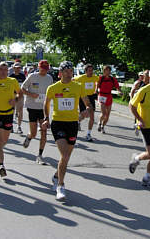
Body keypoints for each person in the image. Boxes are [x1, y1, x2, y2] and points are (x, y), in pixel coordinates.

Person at [43, 61, 91, 201]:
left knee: (66, 157)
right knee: (64, 155)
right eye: (66, 71)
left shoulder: (78, 87)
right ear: (61, 73)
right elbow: (46, 104)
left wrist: (85, 112)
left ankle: (56, 176)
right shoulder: (53, 88)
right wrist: (46, 118)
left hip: (72, 124)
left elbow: (87, 104)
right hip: (58, 123)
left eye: (71, 71)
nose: (69, 73)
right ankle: (60, 186)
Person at [21, 60, 53, 164]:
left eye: (46, 69)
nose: (44, 70)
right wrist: (31, 94)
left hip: (44, 108)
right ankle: (29, 137)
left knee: (44, 133)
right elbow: (22, 88)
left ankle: (39, 155)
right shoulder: (32, 76)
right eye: (42, 68)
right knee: (34, 133)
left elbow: (52, 92)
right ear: (39, 67)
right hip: (32, 106)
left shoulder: (49, 78)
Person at [74, 64, 99, 141]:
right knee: (84, 115)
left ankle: (88, 134)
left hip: (91, 97)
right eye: (89, 71)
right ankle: (77, 121)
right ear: (85, 71)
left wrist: (97, 88)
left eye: (92, 70)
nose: (91, 72)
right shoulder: (80, 78)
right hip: (82, 97)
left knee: (92, 116)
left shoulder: (95, 77)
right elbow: (70, 81)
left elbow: (99, 81)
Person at [95, 65, 121, 134]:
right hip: (102, 96)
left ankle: (103, 126)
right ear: (104, 71)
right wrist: (96, 90)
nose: (108, 72)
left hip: (109, 96)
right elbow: (97, 85)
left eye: (109, 70)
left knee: (107, 115)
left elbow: (117, 86)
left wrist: (119, 91)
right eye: (106, 70)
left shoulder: (112, 79)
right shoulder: (101, 78)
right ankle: (100, 123)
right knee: (103, 113)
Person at [130, 70, 149, 135]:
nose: (147, 76)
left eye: (148, 74)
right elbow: (132, 91)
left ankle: (141, 125)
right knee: (138, 114)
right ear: (144, 76)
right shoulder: (139, 83)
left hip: (147, 103)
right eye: (146, 74)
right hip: (139, 102)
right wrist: (132, 100)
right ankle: (137, 126)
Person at [10, 62, 27, 133]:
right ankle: (11, 126)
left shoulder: (23, 76)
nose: (18, 69)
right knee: (12, 111)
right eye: (16, 68)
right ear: (13, 68)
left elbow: (25, 86)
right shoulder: (11, 76)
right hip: (12, 95)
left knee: (20, 111)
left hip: (20, 95)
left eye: (19, 68)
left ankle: (19, 127)